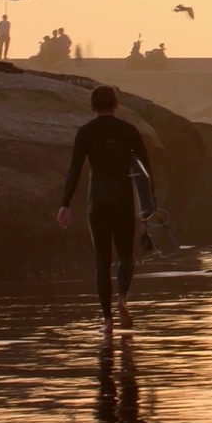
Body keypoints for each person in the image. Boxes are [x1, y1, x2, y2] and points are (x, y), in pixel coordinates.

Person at [57, 85, 153, 336]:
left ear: (92, 106)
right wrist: (148, 203)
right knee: (125, 256)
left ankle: (107, 320)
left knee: (102, 259)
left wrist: (64, 203)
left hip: (97, 198)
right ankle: (122, 298)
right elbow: (145, 170)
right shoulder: (129, 131)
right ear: (116, 105)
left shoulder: (86, 132)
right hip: (122, 196)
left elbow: (75, 170)